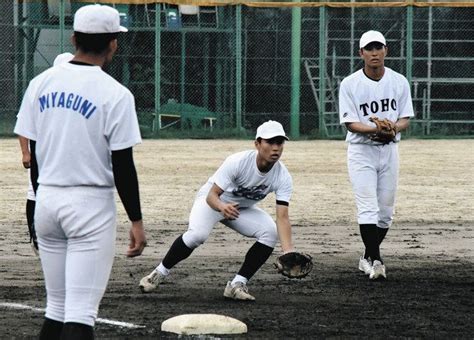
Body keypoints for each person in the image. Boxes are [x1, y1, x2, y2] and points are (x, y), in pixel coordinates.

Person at [13, 4, 147, 339]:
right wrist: (136, 220)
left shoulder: (40, 83)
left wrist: (42, 199)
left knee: (56, 308)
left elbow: (36, 153)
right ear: (113, 43)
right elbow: (123, 165)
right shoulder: (116, 94)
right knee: (80, 313)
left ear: (73, 38)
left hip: (47, 200)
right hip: (89, 206)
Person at [139, 120, 295, 301]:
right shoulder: (238, 162)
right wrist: (222, 207)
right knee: (197, 235)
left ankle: (237, 284)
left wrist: (288, 251)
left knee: (269, 232)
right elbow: (212, 195)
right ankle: (159, 273)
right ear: (257, 143)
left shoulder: (283, 176)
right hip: (213, 202)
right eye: (270, 142)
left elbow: (282, 217)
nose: (276, 148)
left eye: (280, 142)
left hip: (240, 209)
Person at [338, 30, 414, 280]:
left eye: (378, 47)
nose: (374, 52)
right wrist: (376, 129)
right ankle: (377, 260)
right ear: (361, 53)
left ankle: (367, 256)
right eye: (369, 48)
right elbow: (350, 123)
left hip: (389, 151)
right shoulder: (350, 84)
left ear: (385, 50)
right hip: (362, 152)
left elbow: (404, 119)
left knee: (385, 213)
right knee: (368, 209)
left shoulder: (399, 81)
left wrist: (391, 128)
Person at [18, 53, 74, 256]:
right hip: (40, 153)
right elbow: (23, 124)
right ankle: (35, 235)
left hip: (63, 155)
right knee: (35, 193)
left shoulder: (75, 93)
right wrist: (25, 153)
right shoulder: (39, 90)